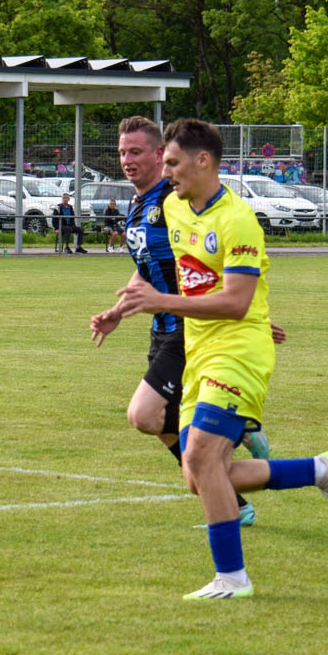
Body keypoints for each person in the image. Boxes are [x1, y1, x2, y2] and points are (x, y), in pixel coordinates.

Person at [110, 118, 328, 599]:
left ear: (203, 161)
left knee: (200, 456)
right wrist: (126, 304)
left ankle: (232, 578)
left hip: (237, 352)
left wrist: (163, 302)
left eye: (172, 163)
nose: (166, 173)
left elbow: (238, 302)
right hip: (197, 351)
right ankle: (320, 469)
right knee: (200, 477)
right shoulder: (173, 209)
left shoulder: (237, 220)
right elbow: (164, 272)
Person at [88, 116, 275, 530]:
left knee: (144, 414)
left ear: (160, 154)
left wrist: (258, 319)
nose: (127, 160)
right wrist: (118, 310)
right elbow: (149, 267)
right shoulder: (142, 205)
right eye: (122, 152)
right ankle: (236, 499)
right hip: (163, 328)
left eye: (136, 152)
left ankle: (238, 436)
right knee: (158, 424)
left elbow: (209, 269)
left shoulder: (175, 201)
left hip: (188, 330)